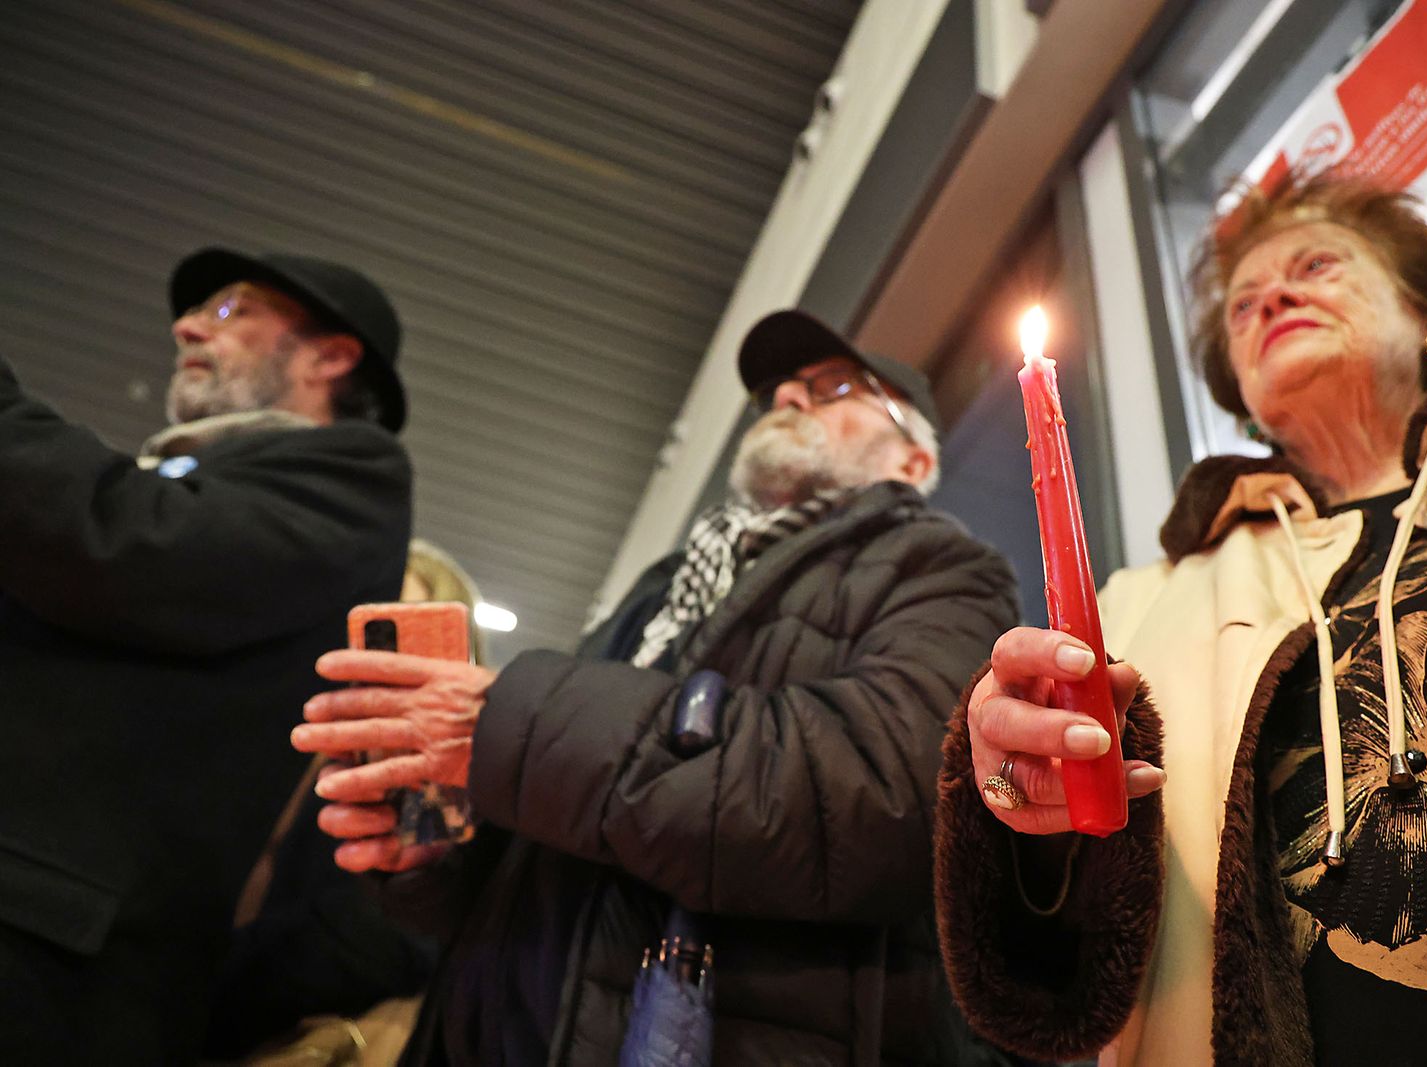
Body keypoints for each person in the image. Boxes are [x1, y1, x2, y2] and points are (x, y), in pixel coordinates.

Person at [933, 171, 1427, 1066]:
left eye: (1316, 264)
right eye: (1243, 306)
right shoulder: (1144, 598)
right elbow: (1069, 968)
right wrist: (1019, 813)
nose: (1271, 298)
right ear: (1244, 393)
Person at [290, 309, 1021, 1064]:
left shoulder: (943, 569)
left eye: (833, 387)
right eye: (781, 390)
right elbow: (560, 836)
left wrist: (509, 726)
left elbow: (881, 795)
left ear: (910, 461)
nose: (789, 400)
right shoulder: (667, 585)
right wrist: (437, 855)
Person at [0, 248, 413, 1064]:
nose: (186, 325)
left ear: (330, 355)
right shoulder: (200, 469)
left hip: (57, 956)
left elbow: (128, 548)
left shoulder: (353, 472)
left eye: (232, 311)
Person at [204, 538, 484, 1065]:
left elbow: (392, 937)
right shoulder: (285, 731)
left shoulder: (449, 781)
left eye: (393, 633)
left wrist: (212, 993)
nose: (366, 652)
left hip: (292, 1028)